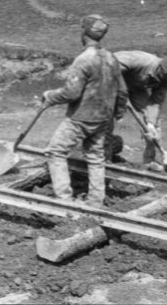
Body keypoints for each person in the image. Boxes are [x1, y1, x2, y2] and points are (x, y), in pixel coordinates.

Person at [42, 15, 127, 208]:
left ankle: (64, 199)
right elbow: (122, 90)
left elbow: (71, 93)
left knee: (55, 151)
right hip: (103, 118)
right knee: (96, 157)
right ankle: (95, 201)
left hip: (81, 118)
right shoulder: (111, 58)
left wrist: (50, 96)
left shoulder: (83, 60)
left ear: (83, 33)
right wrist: (118, 112)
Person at [107, 50, 167, 170]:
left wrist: (150, 123)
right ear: (164, 72)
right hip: (107, 82)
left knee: (152, 126)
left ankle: (150, 160)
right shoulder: (139, 61)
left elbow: (156, 101)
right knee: (106, 118)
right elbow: (108, 65)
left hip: (135, 87)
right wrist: (121, 91)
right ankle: (104, 155)